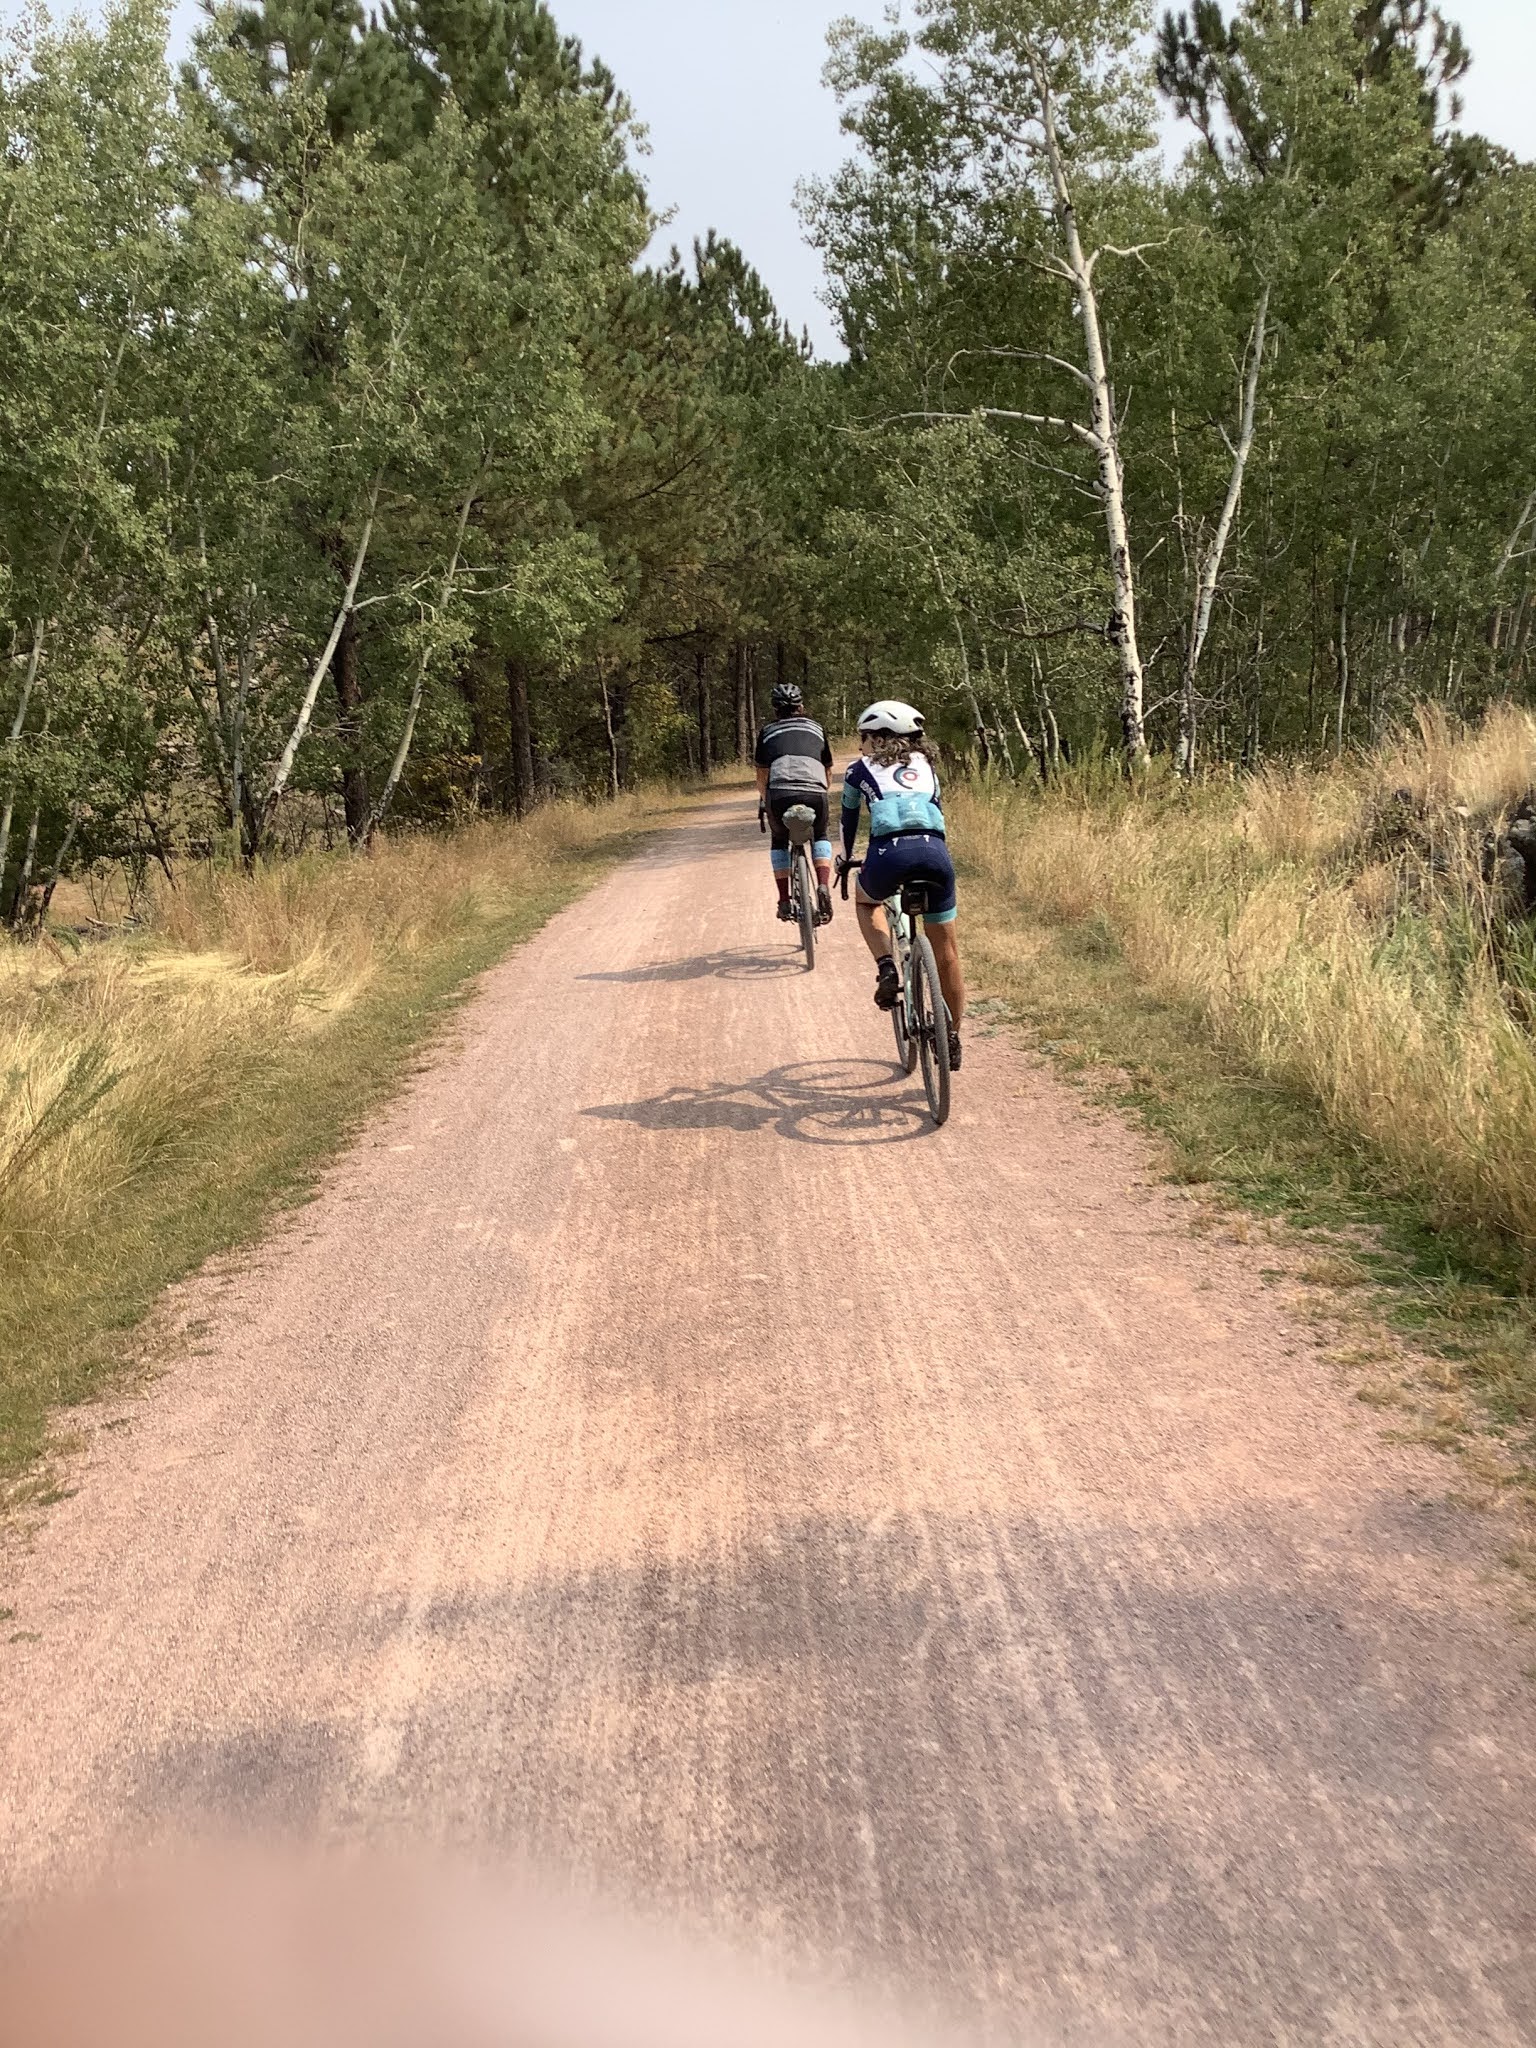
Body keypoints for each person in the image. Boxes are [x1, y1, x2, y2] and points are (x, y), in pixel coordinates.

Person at [837, 699, 966, 1069]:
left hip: (888, 856)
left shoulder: (857, 770)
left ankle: (887, 967)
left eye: (863, 737)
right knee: (948, 956)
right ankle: (952, 1036)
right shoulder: (930, 767)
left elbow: (848, 824)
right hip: (935, 856)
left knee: (866, 902)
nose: (860, 744)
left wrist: (847, 861)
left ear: (877, 738)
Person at [754, 680, 835, 924]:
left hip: (780, 794)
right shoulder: (817, 728)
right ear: (801, 706)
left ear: (775, 709)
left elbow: (762, 776)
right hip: (815, 792)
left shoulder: (768, 732)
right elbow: (828, 769)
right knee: (820, 835)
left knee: (779, 840)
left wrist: (764, 800)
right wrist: (821, 792)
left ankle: (784, 900)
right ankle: (822, 885)